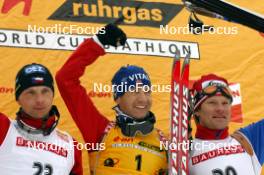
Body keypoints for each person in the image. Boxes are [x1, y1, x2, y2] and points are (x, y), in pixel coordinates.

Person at [56, 24, 168, 175]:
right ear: (118, 98)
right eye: (134, 92)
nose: (143, 99)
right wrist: (97, 43)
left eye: (147, 92)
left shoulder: (165, 141)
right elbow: (65, 79)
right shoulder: (99, 130)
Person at [0, 63, 83, 175]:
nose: (39, 99)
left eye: (45, 91)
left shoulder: (71, 145)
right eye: (31, 92)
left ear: (52, 95)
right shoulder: (3, 128)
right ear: (18, 98)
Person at [189, 73, 264, 175]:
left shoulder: (248, 140)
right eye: (212, 103)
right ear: (197, 110)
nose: (220, 109)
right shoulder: (185, 152)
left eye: (225, 103)